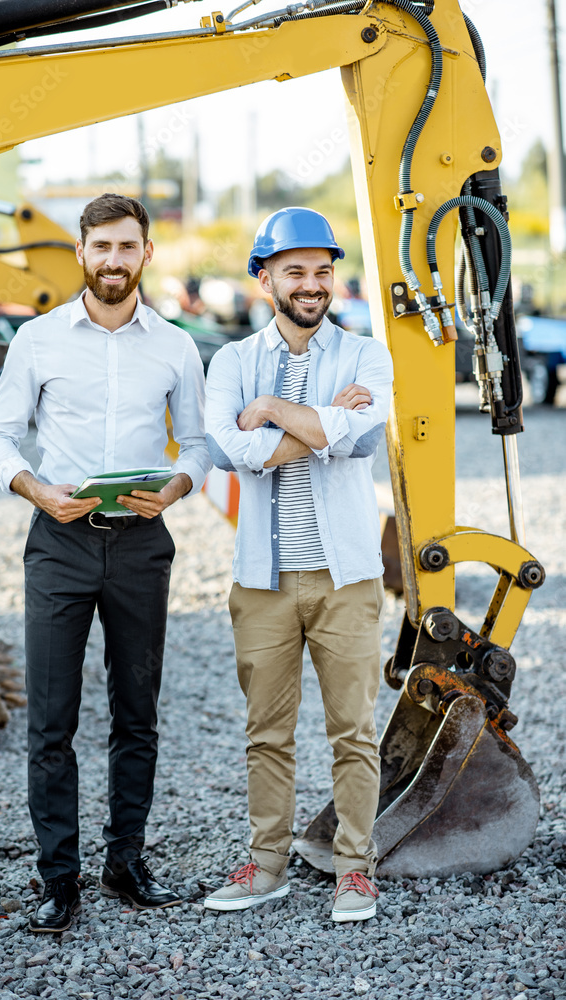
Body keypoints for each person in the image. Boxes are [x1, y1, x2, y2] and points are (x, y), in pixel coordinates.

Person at [0, 193, 210, 932]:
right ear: (81, 253)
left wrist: (174, 488)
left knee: (135, 714)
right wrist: (37, 491)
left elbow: (200, 446)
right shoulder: (38, 340)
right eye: (101, 246)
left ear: (147, 254)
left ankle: (125, 861)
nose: (113, 260)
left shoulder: (175, 345)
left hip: (141, 543)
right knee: (51, 721)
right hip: (60, 542)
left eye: (127, 246)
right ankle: (59, 880)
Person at [203, 207, 393, 922]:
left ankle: (354, 870)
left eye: (321, 271)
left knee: (353, 730)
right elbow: (236, 454)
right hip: (263, 582)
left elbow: (360, 438)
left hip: (345, 579)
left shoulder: (366, 357)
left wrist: (273, 408)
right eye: (294, 272)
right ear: (264, 279)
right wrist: (319, 422)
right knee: (266, 732)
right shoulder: (229, 363)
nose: (311, 285)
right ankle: (267, 865)